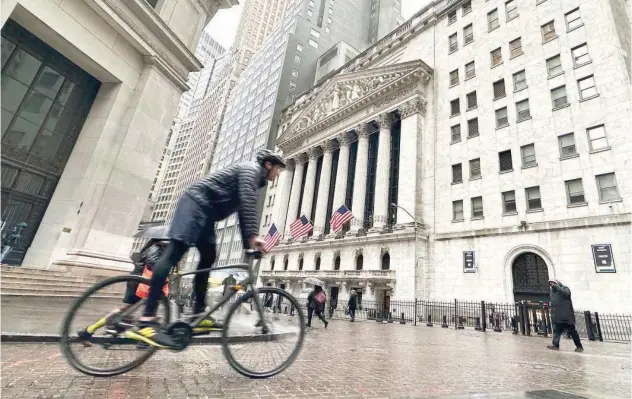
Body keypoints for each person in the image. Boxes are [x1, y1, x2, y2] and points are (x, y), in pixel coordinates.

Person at [127, 149, 286, 348]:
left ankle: (198, 313)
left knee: (209, 257)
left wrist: (248, 244)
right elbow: (248, 203)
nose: (278, 173)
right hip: (194, 204)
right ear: (268, 165)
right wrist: (254, 236)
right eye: (278, 168)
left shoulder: (255, 180)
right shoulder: (250, 170)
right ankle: (147, 320)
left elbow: (242, 213)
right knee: (173, 254)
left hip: (206, 213)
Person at [547, 279, 584, 352]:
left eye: (553, 283)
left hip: (566, 316)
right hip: (557, 316)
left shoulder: (565, 289)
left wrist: (557, 287)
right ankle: (555, 345)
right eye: (550, 283)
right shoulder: (552, 292)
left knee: (573, 332)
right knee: (556, 331)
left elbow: (566, 294)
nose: (551, 285)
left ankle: (579, 346)